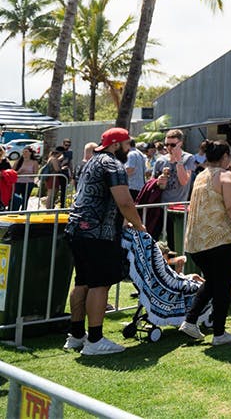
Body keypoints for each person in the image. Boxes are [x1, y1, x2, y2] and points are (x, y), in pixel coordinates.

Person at [63, 127, 146, 356]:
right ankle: (95, 340)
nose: (129, 149)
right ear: (117, 144)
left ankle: (76, 335)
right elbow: (125, 201)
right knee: (99, 285)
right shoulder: (113, 164)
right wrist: (139, 225)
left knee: (82, 283)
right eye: (127, 144)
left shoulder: (89, 161)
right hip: (98, 233)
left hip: (76, 229)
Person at [178, 140, 231, 345]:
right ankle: (219, 333)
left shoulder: (200, 176)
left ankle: (191, 321)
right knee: (223, 285)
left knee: (213, 282)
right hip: (221, 240)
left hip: (197, 243)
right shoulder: (226, 176)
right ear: (225, 157)